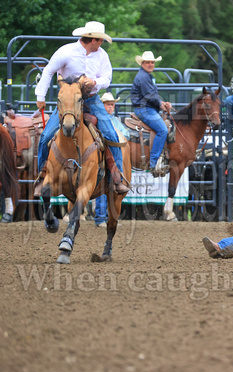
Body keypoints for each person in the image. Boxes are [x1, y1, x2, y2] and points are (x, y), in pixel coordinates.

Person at [34, 21, 130, 195]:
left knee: (111, 135)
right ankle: (43, 174)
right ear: (93, 40)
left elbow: (107, 78)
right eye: (101, 40)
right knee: (46, 136)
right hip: (68, 102)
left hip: (91, 100)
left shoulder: (101, 56)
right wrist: (40, 96)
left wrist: (95, 82)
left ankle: (117, 177)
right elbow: (48, 71)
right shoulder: (66, 52)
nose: (102, 44)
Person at [130, 50, 172, 177]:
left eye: (152, 62)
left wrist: (162, 103)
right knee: (163, 130)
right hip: (144, 109)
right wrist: (161, 105)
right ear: (142, 63)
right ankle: (153, 162)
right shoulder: (144, 77)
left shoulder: (146, 76)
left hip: (147, 108)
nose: (150, 64)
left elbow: (153, 95)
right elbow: (150, 96)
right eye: (147, 62)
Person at [94, 92, 129, 227]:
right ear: (102, 105)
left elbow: (125, 133)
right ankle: (100, 217)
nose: (111, 107)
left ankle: (109, 218)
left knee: (111, 187)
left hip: (113, 158)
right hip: (102, 156)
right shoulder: (97, 119)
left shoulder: (114, 120)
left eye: (112, 105)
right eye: (108, 104)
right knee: (102, 186)